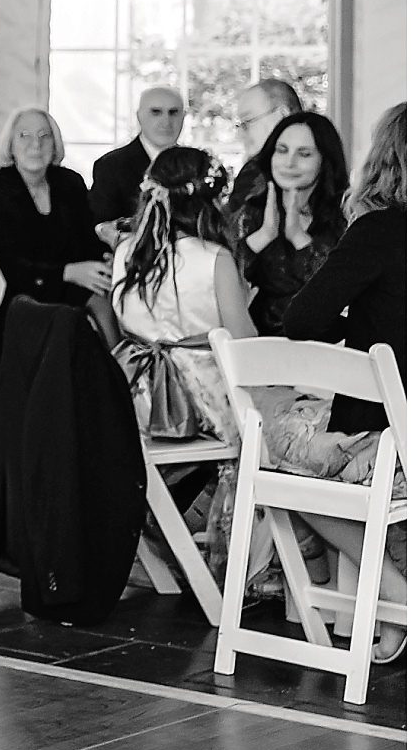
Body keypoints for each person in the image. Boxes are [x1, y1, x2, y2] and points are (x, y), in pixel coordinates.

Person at [280, 102, 407, 663]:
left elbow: (302, 321)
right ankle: (391, 611)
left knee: (272, 452)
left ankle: (398, 596)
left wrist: (356, 320)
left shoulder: (379, 231)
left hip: (391, 447)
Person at [109, 146, 258, 587]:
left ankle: (173, 528)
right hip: (197, 400)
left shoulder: (126, 253)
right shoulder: (214, 258)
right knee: (266, 425)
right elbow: (244, 343)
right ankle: (235, 555)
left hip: (134, 392)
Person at [0, 107, 109, 322]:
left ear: (55, 144)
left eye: (45, 135)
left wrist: (107, 260)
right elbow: (8, 265)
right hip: (19, 292)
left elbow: (87, 240)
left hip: (68, 284)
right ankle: (120, 356)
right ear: (10, 145)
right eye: (24, 135)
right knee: (99, 306)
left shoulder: (70, 183)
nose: (36, 144)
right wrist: (67, 273)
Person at [234, 111, 348, 335]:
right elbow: (223, 282)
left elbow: (337, 289)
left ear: (325, 160)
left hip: (328, 349)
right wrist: (264, 235)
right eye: (282, 151)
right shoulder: (251, 210)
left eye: (304, 154)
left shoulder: (346, 213)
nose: (289, 163)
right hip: (259, 345)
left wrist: (298, 237)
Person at [90, 85, 186, 245]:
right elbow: (101, 228)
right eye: (156, 112)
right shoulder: (111, 166)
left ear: (184, 116)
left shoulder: (195, 165)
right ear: (139, 116)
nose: (166, 121)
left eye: (173, 112)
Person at [227, 78, 305, 207]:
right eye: (239, 125)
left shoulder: (256, 174)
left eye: (247, 122)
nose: (240, 134)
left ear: (282, 115)